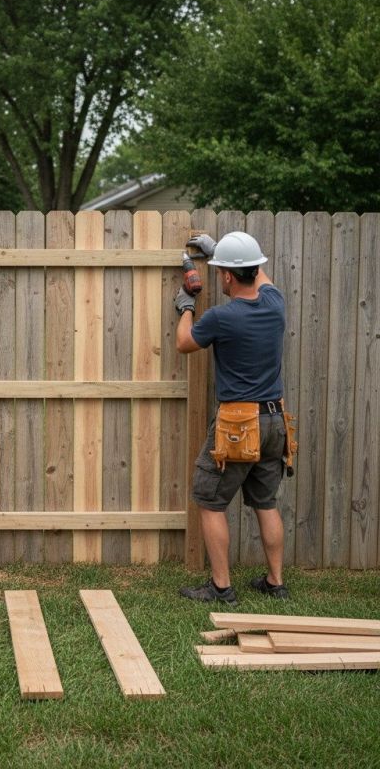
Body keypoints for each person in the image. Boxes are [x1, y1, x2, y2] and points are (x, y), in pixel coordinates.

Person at [174, 231, 291, 605]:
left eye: (220, 269)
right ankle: (275, 582)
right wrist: (222, 254)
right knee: (266, 502)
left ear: (225, 276)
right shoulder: (275, 303)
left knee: (210, 501)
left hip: (238, 425)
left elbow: (184, 342)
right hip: (275, 420)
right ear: (255, 268)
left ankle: (221, 587)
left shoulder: (221, 317)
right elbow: (261, 279)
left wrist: (186, 306)